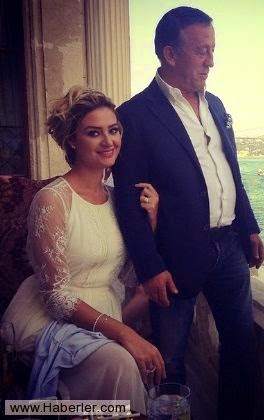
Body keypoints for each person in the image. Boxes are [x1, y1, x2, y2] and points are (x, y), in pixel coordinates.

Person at [112, 6, 264, 418]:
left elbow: (231, 172)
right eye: (201, 51)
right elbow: (128, 201)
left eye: (213, 49)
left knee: (241, 345)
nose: (211, 60)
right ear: (170, 54)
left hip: (229, 248)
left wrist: (249, 227)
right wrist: (150, 268)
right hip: (174, 258)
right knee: (170, 360)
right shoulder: (134, 116)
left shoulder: (216, 105)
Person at [1, 86, 165, 414]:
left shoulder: (118, 199)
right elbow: (56, 298)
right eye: (94, 133)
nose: (108, 141)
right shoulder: (52, 200)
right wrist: (124, 333)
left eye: (113, 130)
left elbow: (130, 278)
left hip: (105, 311)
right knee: (119, 362)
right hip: (48, 319)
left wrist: (151, 220)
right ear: (72, 141)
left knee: (126, 363)